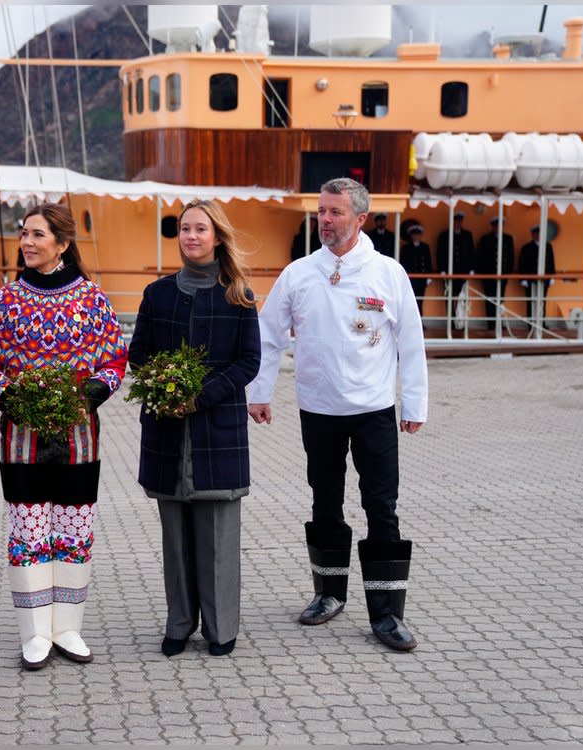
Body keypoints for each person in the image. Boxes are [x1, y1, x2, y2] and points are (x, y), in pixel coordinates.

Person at [248, 177, 428, 652]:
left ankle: (387, 614)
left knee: (381, 507)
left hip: (373, 412)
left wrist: (414, 405)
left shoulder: (388, 273)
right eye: (321, 211)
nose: (325, 220)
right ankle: (328, 593)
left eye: (335, 212)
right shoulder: (299, 273)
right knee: (324, 502)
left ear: (360, 218)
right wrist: (259, 392)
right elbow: (269, 335)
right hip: (319, 409)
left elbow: (410, 344)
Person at [0, 202, 127, 670]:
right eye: (24, 234)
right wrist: (11, 399)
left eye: (38, 235)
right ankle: (34, 633)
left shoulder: (92, 298)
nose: (27, 242)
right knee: (29, 532)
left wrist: (92, 394)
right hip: (21, 438)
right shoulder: (7, 299)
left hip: (80, 436)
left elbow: (115, 357)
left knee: (75, 530)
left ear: (62, 243)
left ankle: (68, 627)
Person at [127, 199, 261, 658]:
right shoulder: (157, 294)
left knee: (218, 538)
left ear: (217, 236)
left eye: (201, 229)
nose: (191, 236)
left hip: (217, 428)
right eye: (185, 228)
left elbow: (249, 361)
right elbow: (138, 354)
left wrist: (200, 394)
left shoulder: (238, 293)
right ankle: (180, 623)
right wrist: (163, 387)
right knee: (176, 538)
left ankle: (222, 629)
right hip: (167, 429)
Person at [476, 217, 515, 330]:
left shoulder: (508, 239)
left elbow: (511, 256)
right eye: (496, 225)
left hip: (502, 275)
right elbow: (480, 256)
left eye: (500, 225)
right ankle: (491, 324)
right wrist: (482, 273)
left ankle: (500, 322)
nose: (498, 227)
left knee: (501, 299)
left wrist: (507, 272)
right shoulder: (485, 239)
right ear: (493, 226)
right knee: (489, 300)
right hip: (488, 275)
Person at [436, 211, 475, 319]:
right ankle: (451, 320)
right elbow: (440, 253)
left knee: (462, 297)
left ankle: (461, 320)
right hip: (449, 271)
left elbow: (471, 252)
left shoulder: (467, 235)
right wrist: (442, 269)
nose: (458, 223)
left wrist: (471, 268)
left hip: (463, 272)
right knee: (449, 297)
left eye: (460, 221)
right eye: (456, 220)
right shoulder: (445, 235)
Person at [517, 225, 557, 326]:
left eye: (539, 233)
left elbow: (551, 262)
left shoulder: (548, 246)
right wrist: (522, 279)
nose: (538, 235)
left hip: (544, 278)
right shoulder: (526, 247)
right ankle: (531, 323)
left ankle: (541, 322)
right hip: (530, 279)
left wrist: (552, 276)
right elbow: (522, 263)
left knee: (542, 301)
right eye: (536, 233)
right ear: (532, 234)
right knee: (530, 301)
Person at [400, 224, 433, 316]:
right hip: (411, 279)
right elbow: (403, 263)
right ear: (411, 236)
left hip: (422, 279)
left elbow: (428, 262)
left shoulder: (425, 247)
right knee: (410, 301)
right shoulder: (406, 248)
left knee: (420, 300)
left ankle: (420, 320)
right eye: (414, 234)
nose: (416, 236)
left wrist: (429, 276)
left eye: (418, 234)